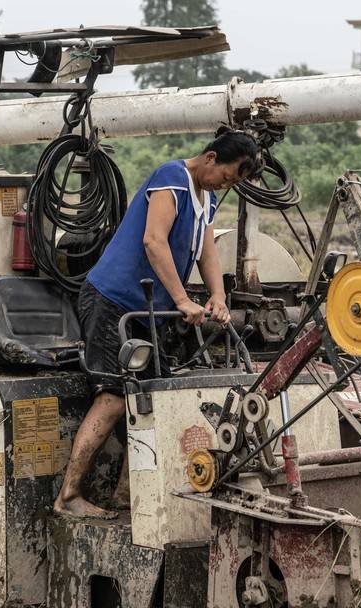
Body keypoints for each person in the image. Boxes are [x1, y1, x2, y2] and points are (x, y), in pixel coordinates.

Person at [54, 129, 261, 519]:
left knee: (155, 400)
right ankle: (68, 497)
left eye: (233, 183)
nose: (225, 185)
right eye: (227, 176)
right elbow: (154, 241)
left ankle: (127, 494)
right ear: (211, 158)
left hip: (148, 312)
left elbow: (206, 250)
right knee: (114, 397)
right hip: (112, 300)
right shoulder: (172, 178)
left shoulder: (207, 200)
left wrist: (217, 295)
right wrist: (183, 299)